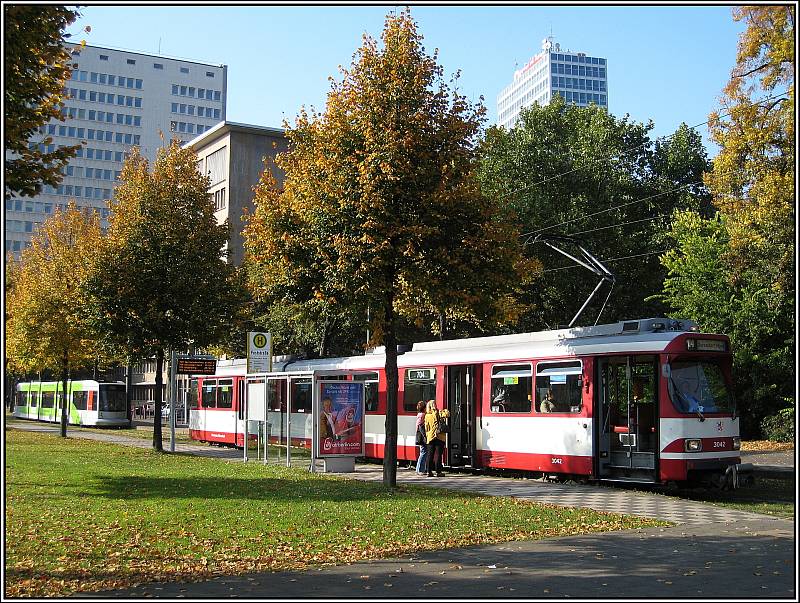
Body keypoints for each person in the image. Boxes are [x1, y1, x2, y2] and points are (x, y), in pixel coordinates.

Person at [424, 399, 449, 477]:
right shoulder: (440, 413)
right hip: (439, 436)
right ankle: (438, 472)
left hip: (430, 437)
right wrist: (444, 410)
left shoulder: (427, 416)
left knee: (430, 455)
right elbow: (447, 414)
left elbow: (426, 427)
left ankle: (429, 471)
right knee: (438, 455)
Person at [414, 401, 428, 474]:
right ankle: (420, 469)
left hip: (420, 436)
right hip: (422, 437)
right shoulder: (423, 415)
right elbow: (420, 426)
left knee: (422, 452)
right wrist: (425, 436)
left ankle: (419, 469)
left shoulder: (419, 414)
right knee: (423, 452)